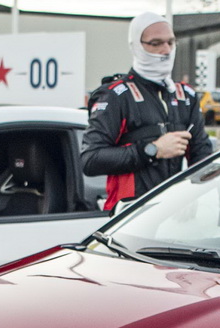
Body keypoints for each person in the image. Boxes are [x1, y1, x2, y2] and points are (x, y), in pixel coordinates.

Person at [81, 11, 213, 210]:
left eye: (171, 42)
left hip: (174, 212)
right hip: (128, 218)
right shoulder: (116, 95)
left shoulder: (185, 95)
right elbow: (90, 160)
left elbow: (201, 155)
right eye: (156, 43)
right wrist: (153, 150)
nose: (166, 50)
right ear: (136, 46)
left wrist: (195, 197)